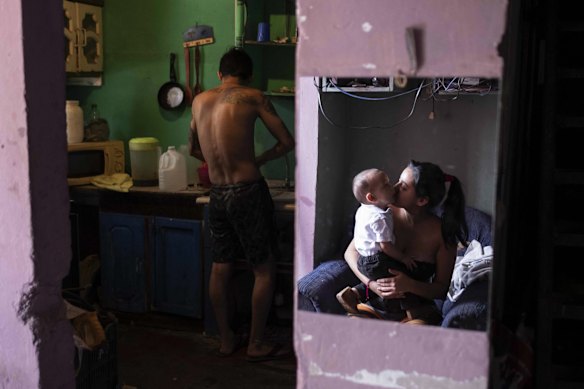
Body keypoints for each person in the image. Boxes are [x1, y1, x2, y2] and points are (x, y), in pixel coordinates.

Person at [189, 47, 295, 361]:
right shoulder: (254, 96)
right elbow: (287, 142)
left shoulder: (198, 100)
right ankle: (257, 343)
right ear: (247, 75)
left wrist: (215, 160)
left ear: (220, 74)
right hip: (248, 191)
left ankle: (226, 339)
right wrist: (258, 160)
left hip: (218, 194)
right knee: (263, 270)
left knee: (220, 268)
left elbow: (193, 148)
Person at [342, 160, 468, 324]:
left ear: (421, 201)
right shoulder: (383, 214)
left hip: (414, 313)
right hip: (372, 306)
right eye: (398, 181)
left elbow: (441, 289)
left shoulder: (443, 236)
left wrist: (409, 285)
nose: (394, 187)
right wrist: (371, 284)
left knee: (414, 335)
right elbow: (350, 252)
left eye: (403, 187)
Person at [336, 168, 417, 316]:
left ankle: (354, 293)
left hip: (365, 260)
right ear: (372, 198)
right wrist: (403, 258)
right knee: (399, 280)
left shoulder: (364, 209)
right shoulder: (379, 218)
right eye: (386, 185)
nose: (393, 186)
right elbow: (386, 246)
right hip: (378, 259)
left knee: (384, 281)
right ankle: (409, 311)